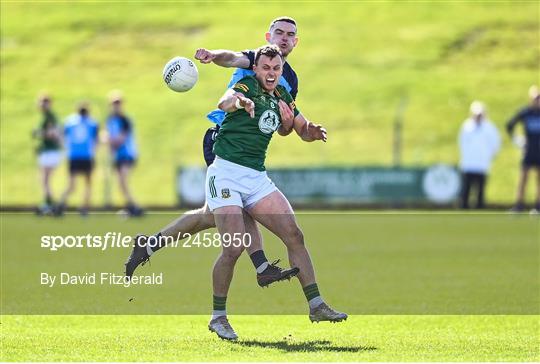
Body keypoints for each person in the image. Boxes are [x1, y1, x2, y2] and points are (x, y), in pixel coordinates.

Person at [125, 17, 305, 288]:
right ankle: (262, 266)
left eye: (289, 34)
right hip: (223, 139)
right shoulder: (257, 58)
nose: (283, 38)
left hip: (247, 151)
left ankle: (149, 244)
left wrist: (297, 125)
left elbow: (283, 122)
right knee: (243, 203)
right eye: (278, 32)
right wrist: (212, 55)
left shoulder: (288, 78)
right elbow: (231, 58)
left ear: (295, 41)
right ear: (268, 36)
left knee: (208, 216)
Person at [206, 45, 346, 341]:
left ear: (281, 71)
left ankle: (317, 305)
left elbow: (299, 127)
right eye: (265, 68)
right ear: (255, 69)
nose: (270, 73)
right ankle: (218, 317)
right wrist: (239, 101)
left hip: (256, 177)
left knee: (294, 234)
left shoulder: (283, 95)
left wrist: (313, 131)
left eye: (275, 69)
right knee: (232, 249)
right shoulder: (245, 86)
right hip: (226, 172)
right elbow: (224, 102)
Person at [54, 102, 99, 216]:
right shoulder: (73, 122)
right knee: (76, 184)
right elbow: (96, 140)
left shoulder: (88, 123)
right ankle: (62, 204)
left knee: (84, 183)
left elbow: (95, 139)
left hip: (82, 156)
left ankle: (83, 207)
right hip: (78, 156)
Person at [105, 91, 143, 216]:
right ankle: (130, 206)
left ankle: (134, 206)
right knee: (121, 183)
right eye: (114, 103)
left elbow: (120, 139)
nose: (116, 106)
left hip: (126, 154)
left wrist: (108, 140)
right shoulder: (110, 120)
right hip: (117, 155)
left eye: (118, 103)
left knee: (123, 181)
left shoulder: (124, 120)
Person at [458, 101, 501, 209]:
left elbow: (495, 144)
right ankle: (464, 209)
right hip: (468, 164)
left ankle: (479, 210)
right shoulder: (466, 126)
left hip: (482, 164)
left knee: (480, 191)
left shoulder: (490, 128)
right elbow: (461, 142)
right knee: (466, 190)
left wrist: (489, 156)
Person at [507, 85, 540, 212]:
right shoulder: (525, 113)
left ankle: (538, 206)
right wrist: (517, 139)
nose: (537, 101)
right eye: (535, 98)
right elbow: (510, 125)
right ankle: (519, 204)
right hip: (528, 150)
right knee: (523, 178)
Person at [33, 94, 62, 215]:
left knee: (45, 179)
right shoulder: (46, 116)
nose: (43, 104)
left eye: (45, 102)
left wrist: (39, 133)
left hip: (51, 151)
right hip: (48, 150)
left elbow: (53, 134)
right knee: (44, 180)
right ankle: (49, 204)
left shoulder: (50, 117)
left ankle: (51, 205)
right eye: (41, 102)